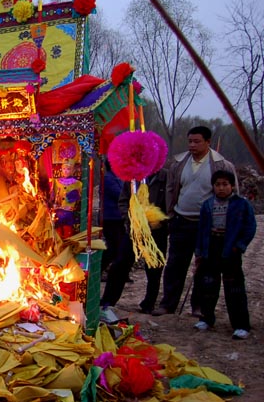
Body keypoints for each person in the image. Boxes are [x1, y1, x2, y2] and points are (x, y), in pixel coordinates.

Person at [153, 126, 236, 316]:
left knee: (205, 266)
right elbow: (171, 189)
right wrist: (170, 214)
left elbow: (232, 194)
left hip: (207, 225)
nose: (192, 145)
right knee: (175, 264)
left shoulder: (221, 165)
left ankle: (199, 306)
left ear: (208, 142)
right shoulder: (179, 163)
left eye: (197, 141)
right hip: (181, 220)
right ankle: (168, 304)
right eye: (190, 141)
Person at [192, 170, 256, 339]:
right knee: (208, 286)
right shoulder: (207, 205)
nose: (221, 188)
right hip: (211, 248)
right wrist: (199, 252)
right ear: (213, 186)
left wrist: (239, 246)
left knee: (234, 288)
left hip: (230, 249)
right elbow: (201, 230)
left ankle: (241, 325)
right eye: (217, 184)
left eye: (225, 184)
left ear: (232, 186)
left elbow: (250, 227)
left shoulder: (241, 204)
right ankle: (206, 318)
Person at [99, 167, 168, 318]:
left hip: (157, 231)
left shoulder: (166, 176)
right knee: (120, 264)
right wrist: (129, 218)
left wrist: (162, 220)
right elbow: (123, 200)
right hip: (133, 229)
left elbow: (172, 199)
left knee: (154, 268)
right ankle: (108, 300)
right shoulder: (133, 176)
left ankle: (149, 303)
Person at [101, 160, 124, 278]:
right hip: (111, 218)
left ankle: (119, 272)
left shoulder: (117, 178)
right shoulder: (108, 179)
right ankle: (101, 268)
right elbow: (119, 194)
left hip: (118, 217)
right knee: (113, 246)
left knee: (119, 245)